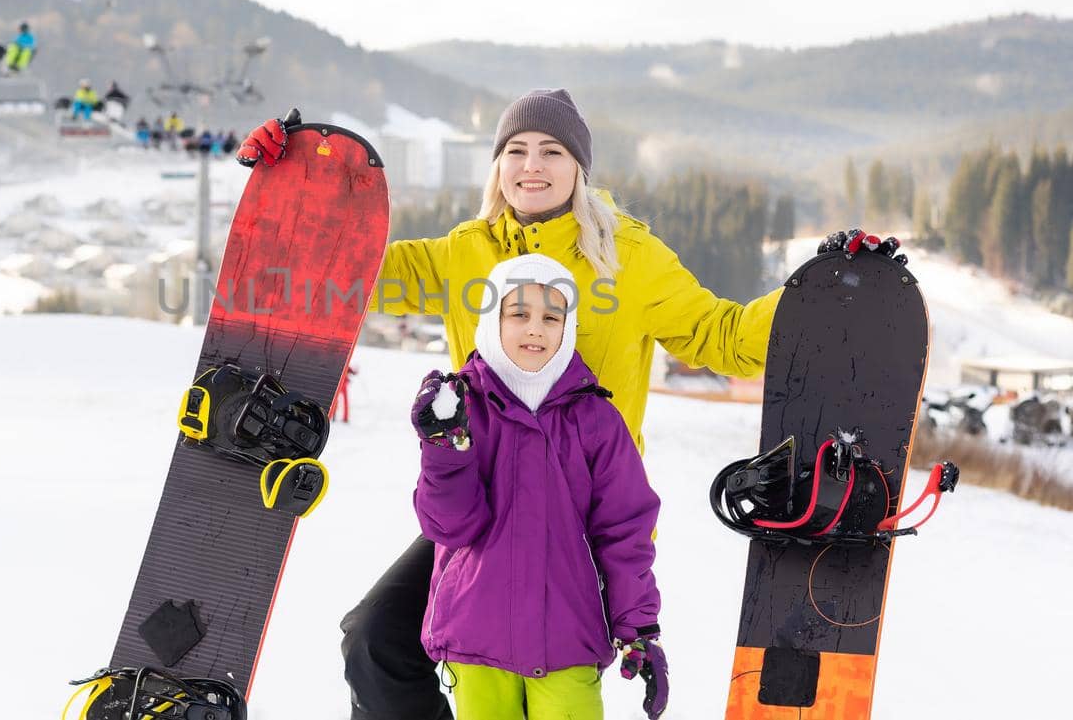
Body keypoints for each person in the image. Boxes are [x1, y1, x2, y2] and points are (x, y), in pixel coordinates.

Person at [237, 88, 898, 720]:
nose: (533, 165)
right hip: (481, 518)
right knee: (375, 640)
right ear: (498, 164)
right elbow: (349, 274)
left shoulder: (627, 256)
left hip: (582, 525)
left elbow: (719, 335)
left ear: (578, 167)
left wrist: (814, 292)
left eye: (552, 151)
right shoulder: (465, 252)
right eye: (517, 149)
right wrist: (292, 184)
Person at [412, 254, 667, 720]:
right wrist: (445, 449)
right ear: (493, 319)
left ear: (567, 328)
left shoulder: (596, 419)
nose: (536, 329)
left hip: (568, 638)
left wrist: (639, 628)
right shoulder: (463, 408)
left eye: (552, 317)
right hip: (476, 636)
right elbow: (449, 526)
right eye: (519, 314)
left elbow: (625, 530)